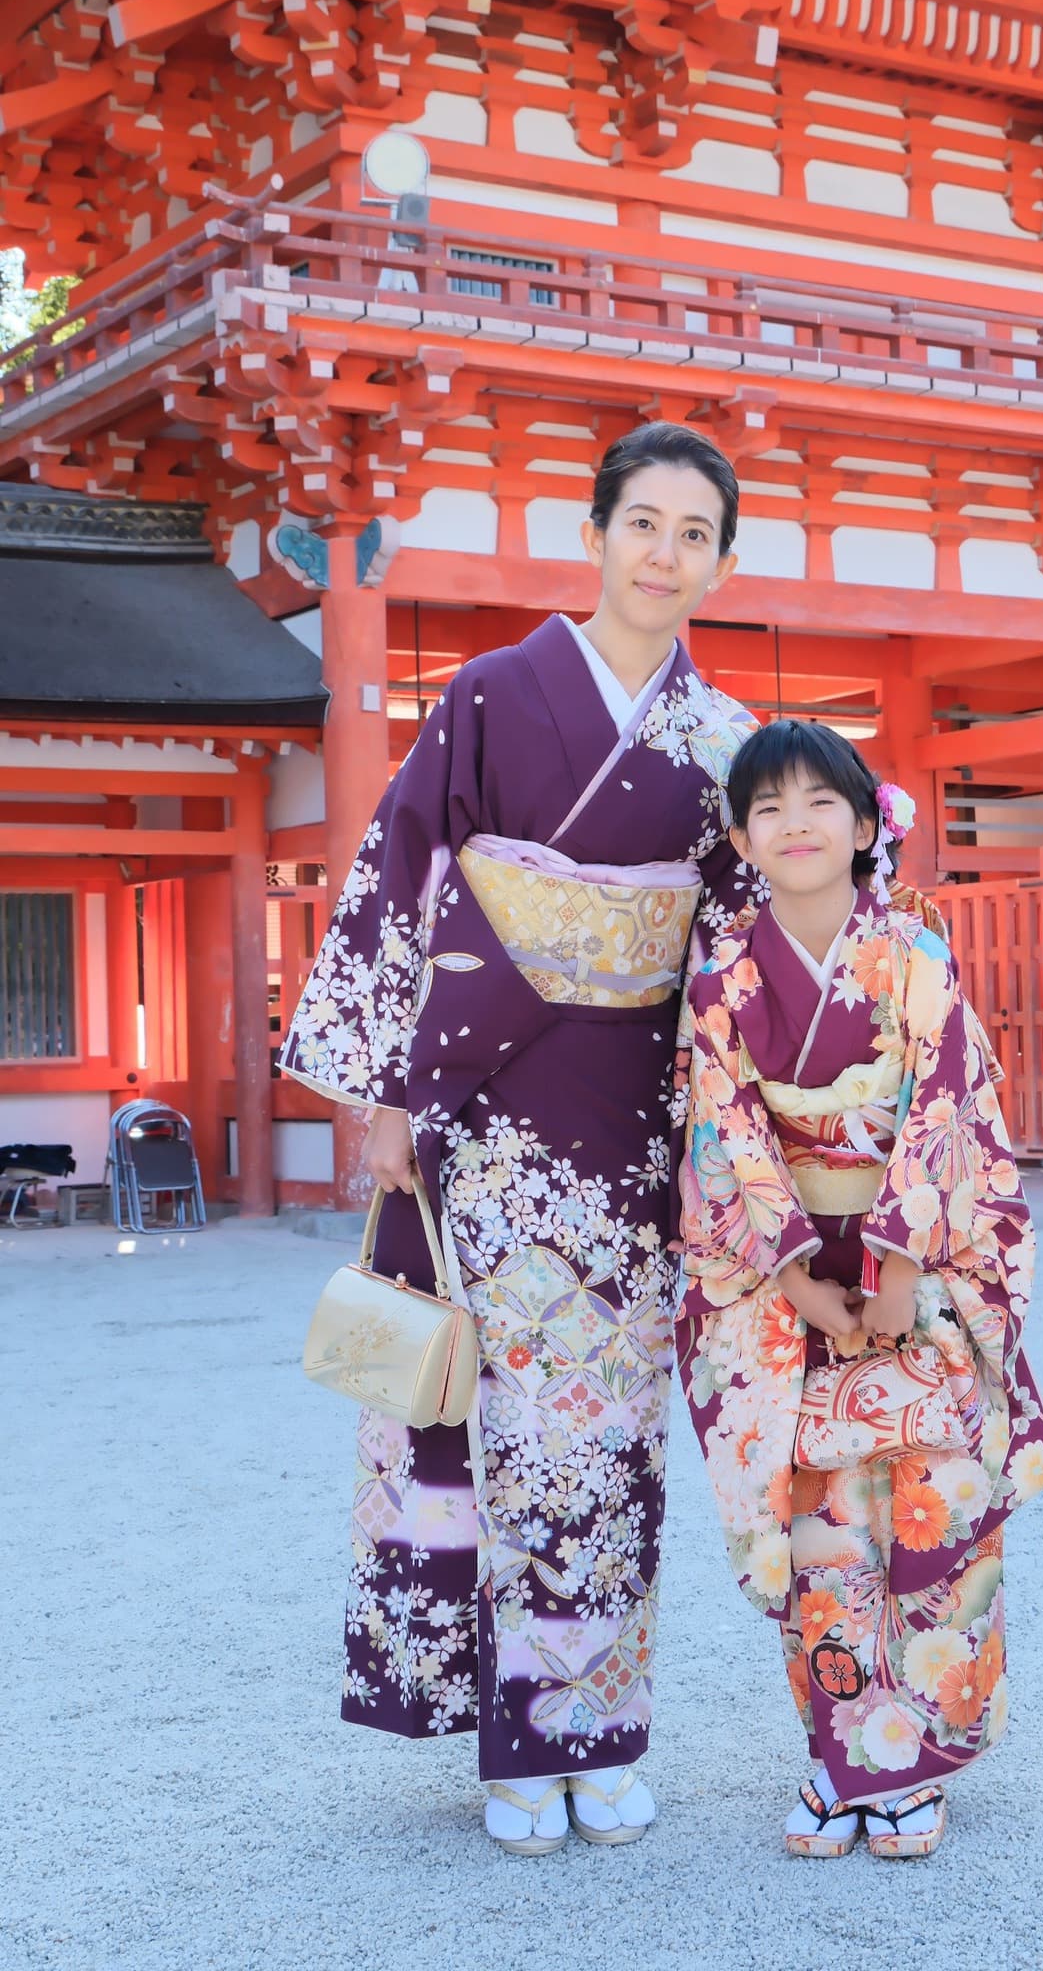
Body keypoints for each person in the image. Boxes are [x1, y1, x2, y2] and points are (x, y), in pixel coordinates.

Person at [281, 422, 757, 1853]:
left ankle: (599, 1731)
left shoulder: (725, 744)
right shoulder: (491, 695)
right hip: (484, 1111)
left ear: (719, 562)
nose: (665, 554)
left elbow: (737, 944)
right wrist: (383, 1095)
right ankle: (509, 1745)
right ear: (596, 532)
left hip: (626, 1127)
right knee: (497, 1423)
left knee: (608, 1441)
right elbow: (400, 877)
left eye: (694, 534)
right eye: (644, 524)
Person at [676, 720, 1043, 1859]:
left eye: (818, 802)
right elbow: (727, 1133)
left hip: (919, 1266)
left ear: (863, 824)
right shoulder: (721, 979)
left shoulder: (915, 956)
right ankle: (846, 1758)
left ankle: (922, 1758)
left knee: (929, 1512)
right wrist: (796, 1273)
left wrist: (895, 1264)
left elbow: (948, 1106)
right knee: (825, 1533)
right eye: (768, 807)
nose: (795, 823)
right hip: (785, 1283)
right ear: (742, 838)